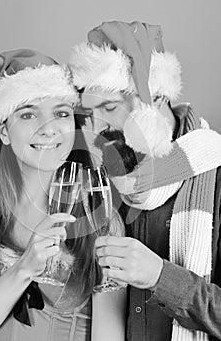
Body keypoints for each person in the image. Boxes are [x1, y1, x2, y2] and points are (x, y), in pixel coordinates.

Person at [0, 49, 126, 341]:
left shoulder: (100, 220)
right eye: (28, 114)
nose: (48, 129)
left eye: (61, 113)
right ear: (4, 132)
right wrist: (24, 269)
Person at [69, 21, 221, 341]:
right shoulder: (101, 176)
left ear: (156, 99)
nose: (97, 125)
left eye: (109, 107)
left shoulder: (216, 175)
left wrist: (161, 277)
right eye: (89, 112)